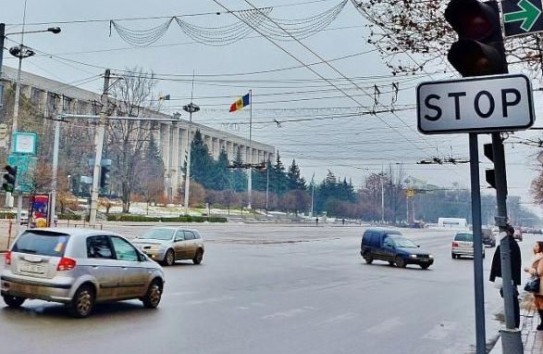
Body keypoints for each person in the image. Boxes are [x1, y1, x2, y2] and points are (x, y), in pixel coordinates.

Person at [489, 224, 522, 328]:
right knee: (511, 299)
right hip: (509, 278)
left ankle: (513, 323)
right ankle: (513, 322)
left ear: (508, 233)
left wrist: (496, 276)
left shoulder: (507, 245)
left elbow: (500, 262)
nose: (500, 234)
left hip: (508, 278)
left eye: (502, 232)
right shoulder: (509, 244)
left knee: (510, 300)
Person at [523, 241, 543, 330]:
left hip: (541, 284)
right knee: (537, 303)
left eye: (536, 246)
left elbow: (538, 272)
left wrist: (528, 269)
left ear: (540, 247)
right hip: (539, 284)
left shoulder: (541, 258)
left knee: (540, 303)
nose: (534, 247)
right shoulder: (537, 257)